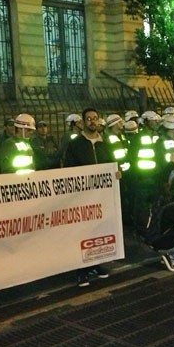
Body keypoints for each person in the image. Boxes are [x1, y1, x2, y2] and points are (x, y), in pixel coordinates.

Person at [64, 107, 115, 287]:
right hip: (83, 196)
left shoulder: (104, 143)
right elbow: (69, 169)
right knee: (83, 231)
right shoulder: (75, 144)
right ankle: (81, 269)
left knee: (99, 230)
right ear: (83, 122)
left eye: (95, 118)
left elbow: (112, 164)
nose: (93, 121)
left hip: (102, 196)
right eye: (89, 119)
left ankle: (96, 262)